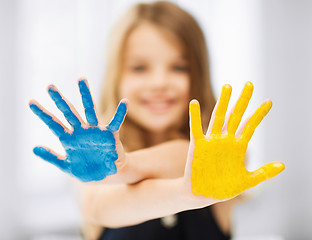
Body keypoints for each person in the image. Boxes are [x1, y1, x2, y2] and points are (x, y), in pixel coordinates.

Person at [29, 1, 284, 240]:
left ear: (198, 76)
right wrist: (184, 193)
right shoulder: (91, 158)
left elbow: (182, 157)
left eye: (179, 67)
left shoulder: (219, 158)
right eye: (139, 68)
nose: (159, 82)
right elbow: (98, 208)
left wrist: (125, 166)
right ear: (116, 77)